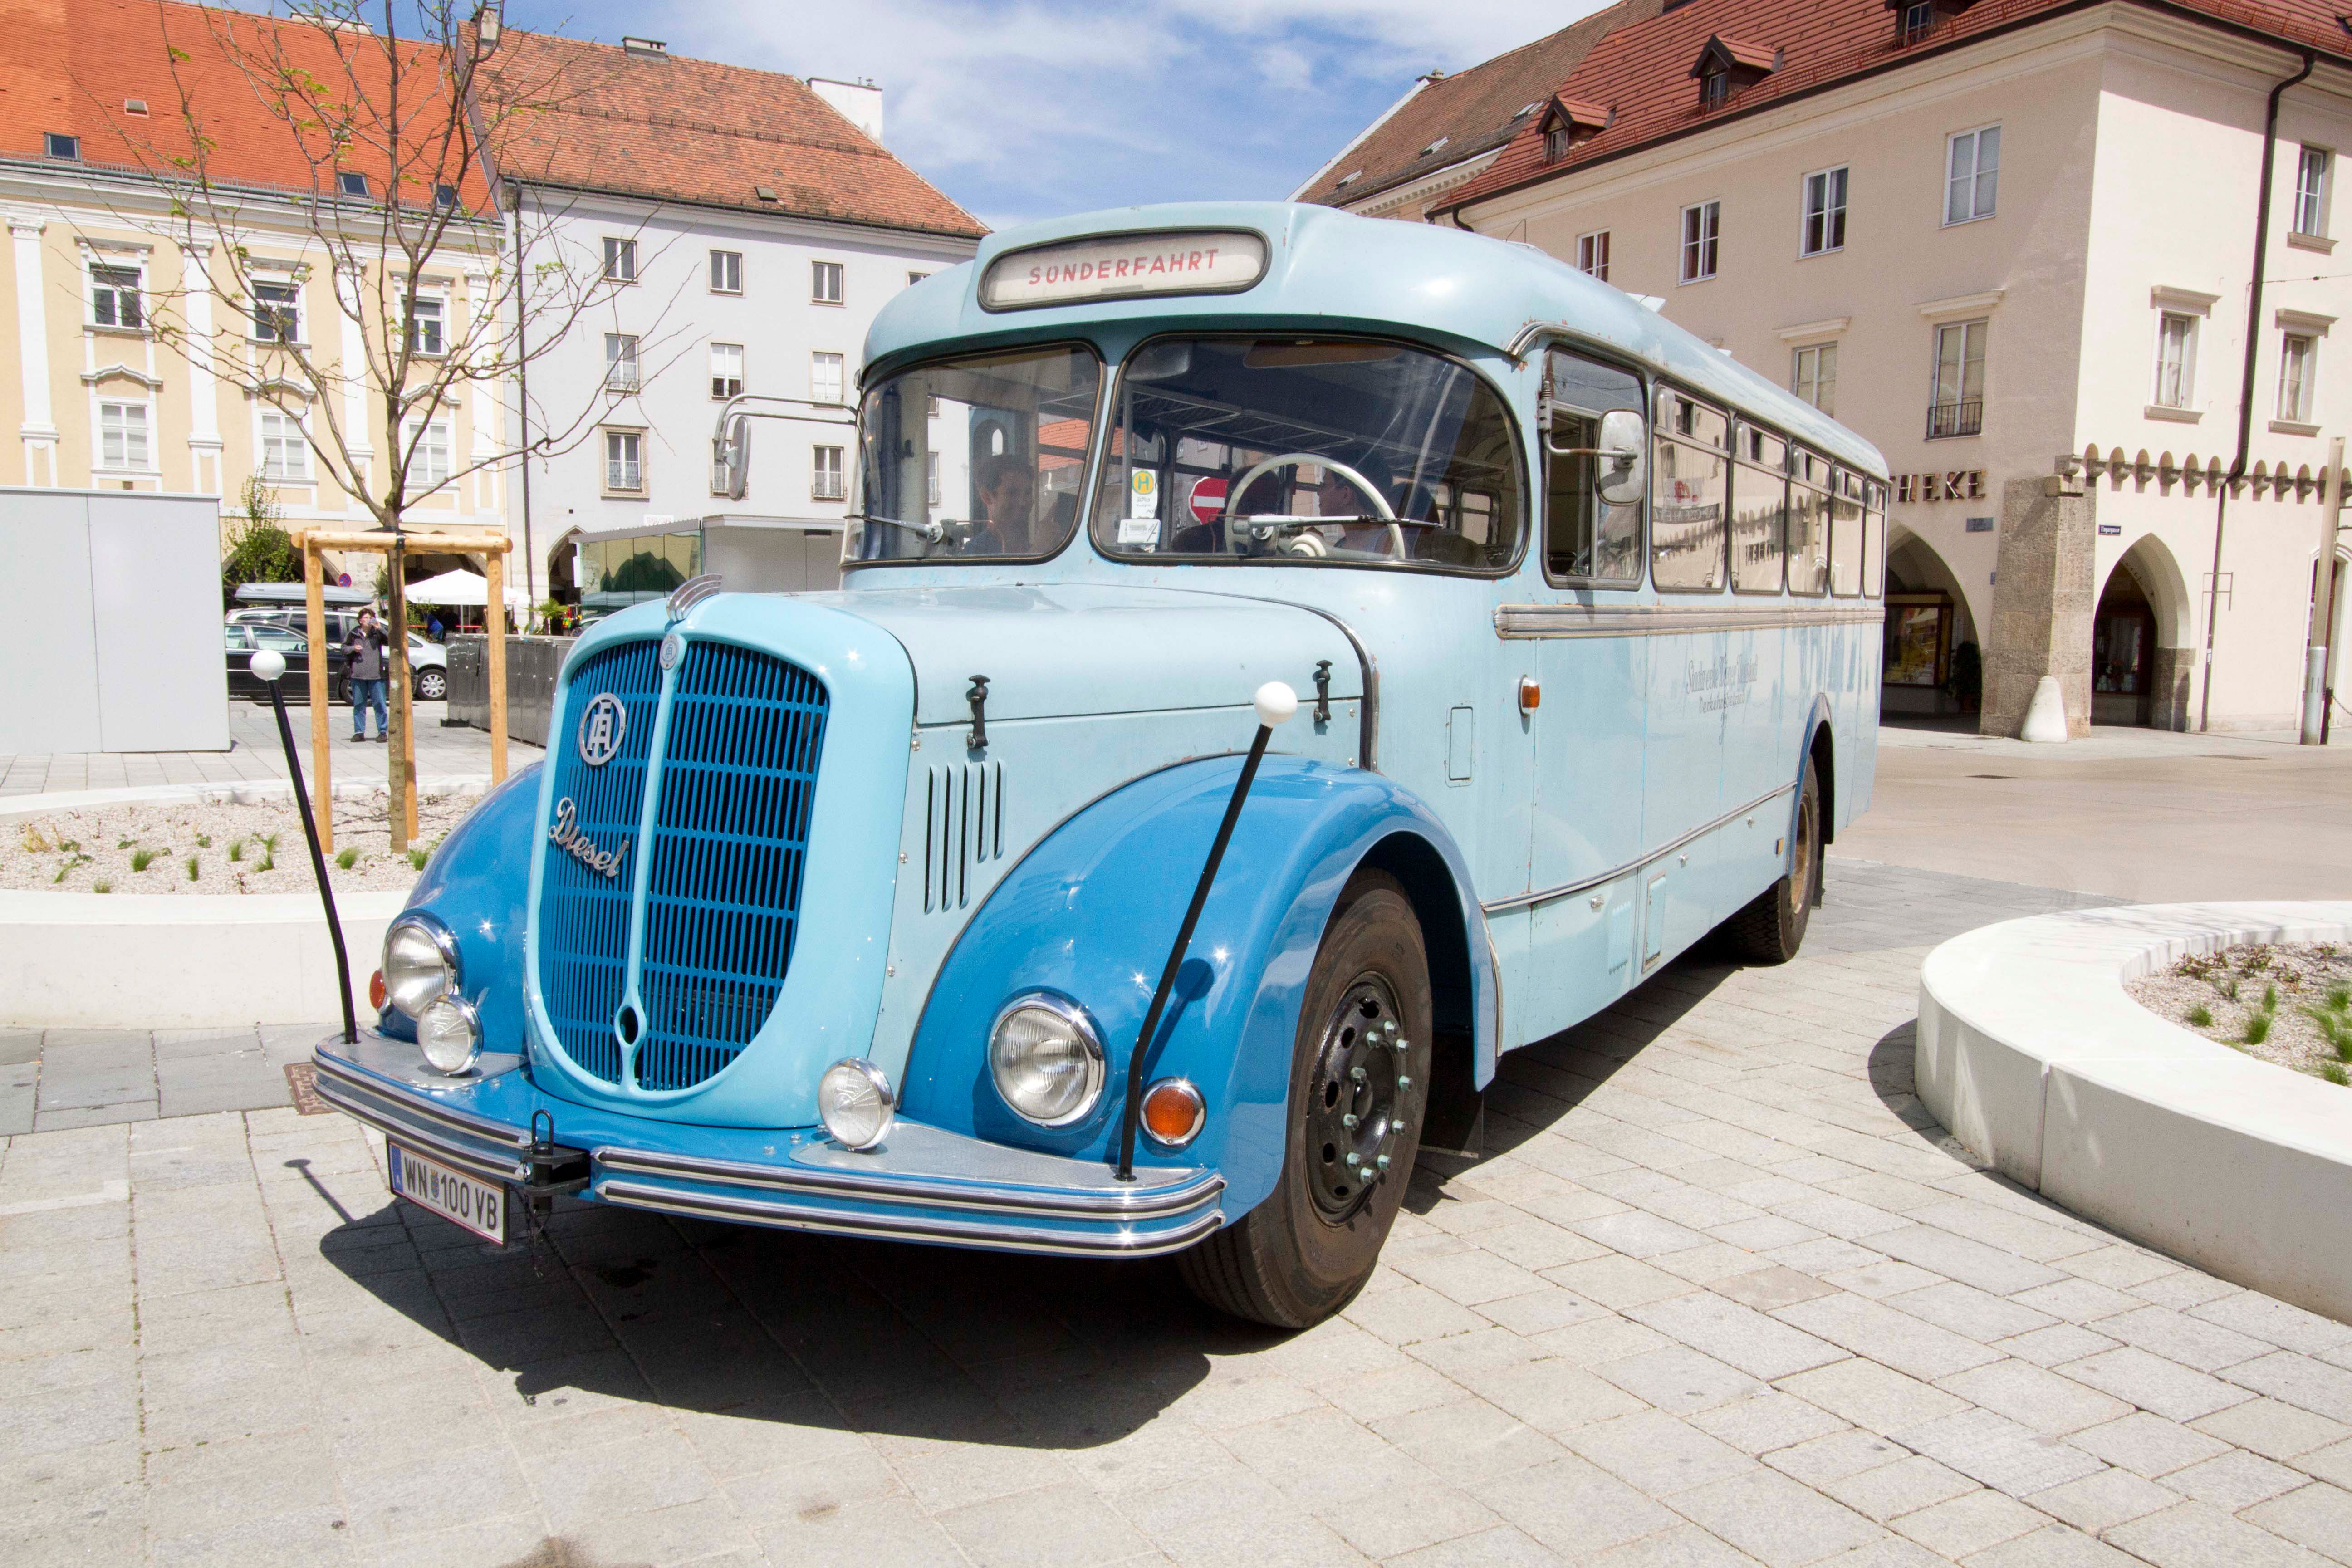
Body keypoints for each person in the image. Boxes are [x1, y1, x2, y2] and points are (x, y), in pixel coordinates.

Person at [964, 454, 1035, 554]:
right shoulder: (975, 552)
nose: (1023, 502)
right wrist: (1040, 548)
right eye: (1012, 493)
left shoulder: (1028, 547)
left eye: (1028, 493)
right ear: (987, 497)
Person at [343, 608, 390, 743]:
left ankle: (382, 732)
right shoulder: (353, 634)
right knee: (359, 704)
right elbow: (343, 649)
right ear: (360, 621)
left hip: (376, 676)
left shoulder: (377, 634)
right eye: (366, 618)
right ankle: (359, 732)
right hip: (358, 675)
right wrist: (353, 648)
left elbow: (391, 641)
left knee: (380, 704)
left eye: (371, 618)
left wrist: (380, 628)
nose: (368, 620)